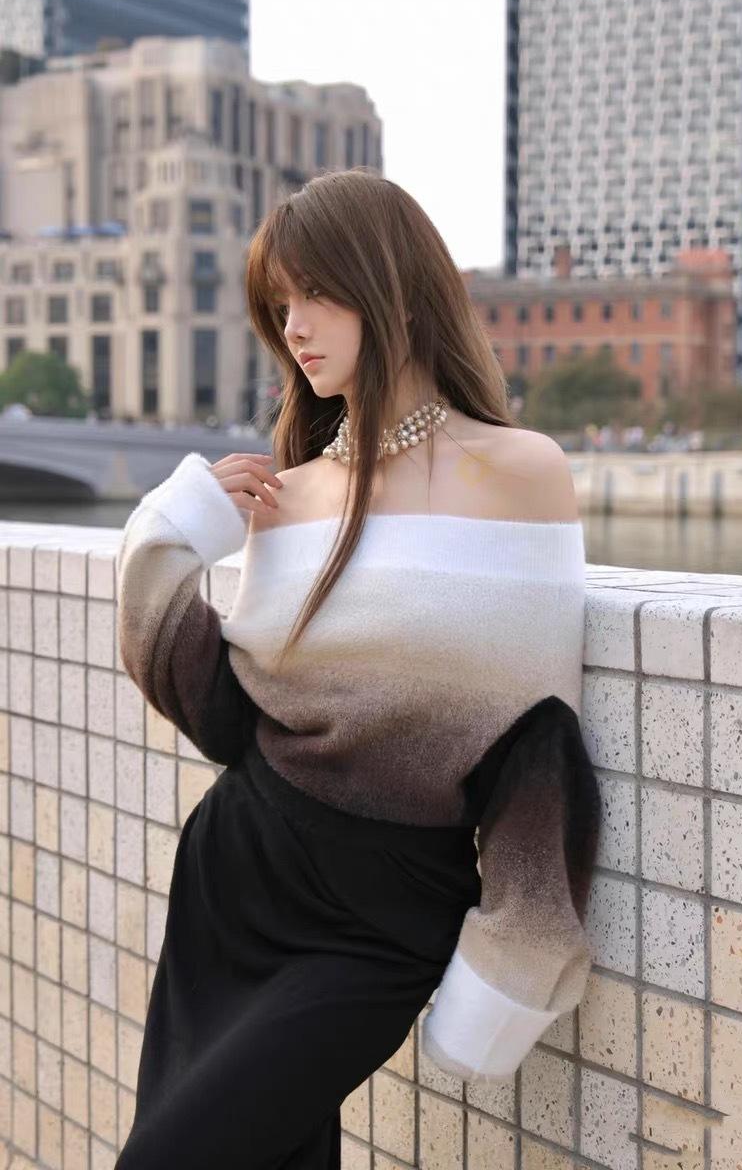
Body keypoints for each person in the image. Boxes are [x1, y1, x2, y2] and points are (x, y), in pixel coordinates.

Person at [113, 169, 600, 1169]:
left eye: (317, 293)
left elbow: (536, 739)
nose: (293, 327)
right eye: (280, 303)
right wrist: (170, 535)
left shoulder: (521, 474)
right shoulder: (284, 495)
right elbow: (226, 716)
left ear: (396, 290)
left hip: (382, 920)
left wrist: (520, 940)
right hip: (235, 880)